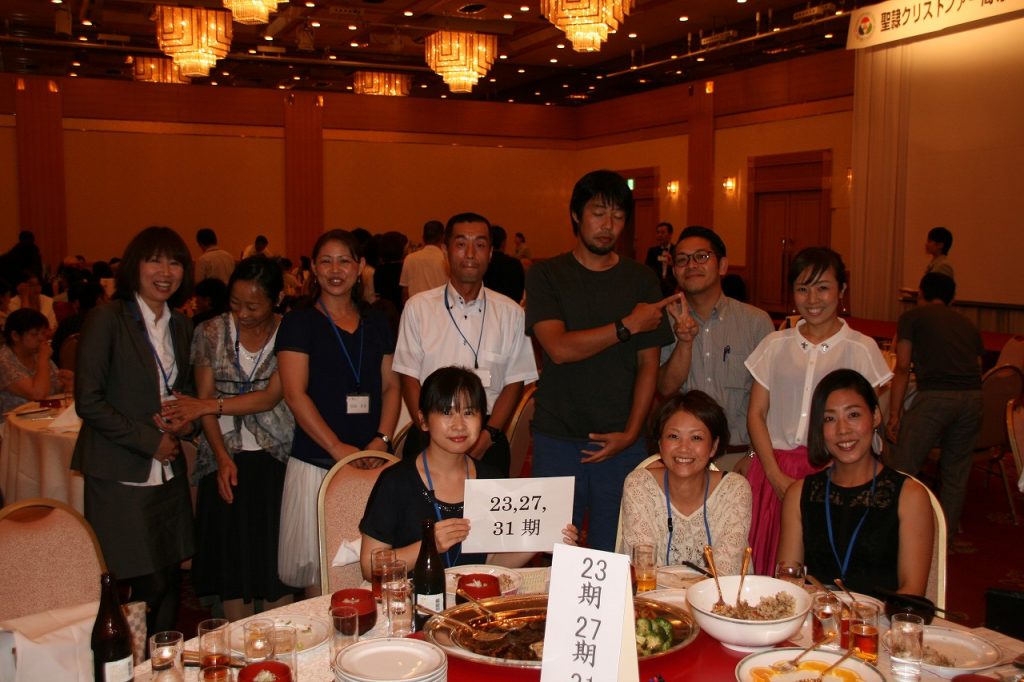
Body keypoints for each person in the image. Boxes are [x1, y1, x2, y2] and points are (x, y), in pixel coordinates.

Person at [525, 170, 674, 551]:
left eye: (618, 216)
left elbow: (648, 365)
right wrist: (627, 325)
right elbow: (558, 348)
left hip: (622, 439)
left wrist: (632, 433)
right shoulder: (546, 274)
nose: (608, 225)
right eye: (598, 213)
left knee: (618, 550)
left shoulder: (641, 279)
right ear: (576, 215)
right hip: (557, 436)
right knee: (555, 548)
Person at [71, 225, 197, 634]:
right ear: (134, 267)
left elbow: (184, 391)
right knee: (146, 583)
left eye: (174, 262)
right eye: (154, 260)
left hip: (167, 472)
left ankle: (162, 660)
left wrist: (185, 420)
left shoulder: (180, 325)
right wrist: (150, 441)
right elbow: (88, 400)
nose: (165, 271)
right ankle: (129, 659)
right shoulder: (107, 319)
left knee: (170, 578)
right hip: (120, 471)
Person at [161, 257, 296, 621]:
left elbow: (270, 397)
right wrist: (221, 457)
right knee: (232, 562)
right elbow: (202, 400)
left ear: (277, 299)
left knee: (275, 560)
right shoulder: (209, 332)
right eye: (235, 304)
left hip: (277, 458)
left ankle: (281, 636)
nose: (243, 314)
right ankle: (238, 639)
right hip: (223, 456)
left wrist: (209, 404)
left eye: (253, 306)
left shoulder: (291, 332)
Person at [745, 247, 892, 575]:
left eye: (823, 288)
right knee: (766, 564)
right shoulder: (774, 344)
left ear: (841, 290)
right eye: (802, 288)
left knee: (825, 566)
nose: (812, 299)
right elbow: (756, 413)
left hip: (835, 472)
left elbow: (871, 418)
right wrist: (774, 475)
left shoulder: (861, 348)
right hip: (773, 469)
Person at [359, 367, 577, 578]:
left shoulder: (491, 481)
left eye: (469, 412)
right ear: (423, 421)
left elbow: (491, 564)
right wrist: (429, 544)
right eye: (446, 412)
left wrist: (537, 540)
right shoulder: (396, 481)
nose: (459, 425)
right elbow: (370, 567)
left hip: (473, 598)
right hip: (411, 599)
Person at [276, 229, 401, 591]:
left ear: (359, 267)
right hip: (318, 460)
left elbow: (391, 386)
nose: (335, 270)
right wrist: (336, 448)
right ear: (314, 269)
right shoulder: (299, 322)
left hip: (373, 461)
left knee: (378, 568)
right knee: (321, 576)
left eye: (344, 260)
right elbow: (294, 393)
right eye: (326, 261)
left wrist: (382, 439)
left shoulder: (377, 321)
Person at [394, 213, 538, 475]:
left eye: (480, 245)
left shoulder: (511, 313)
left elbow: (515, 382)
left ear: (490, 253)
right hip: (429, 434)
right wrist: (429, 431)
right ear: (446, 251)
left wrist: (489, 435)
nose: (470, 253)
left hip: (487, 436)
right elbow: (408, 377)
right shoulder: (418, 308)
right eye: (461, 244)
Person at [778, 369, 933, 597]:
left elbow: (912, 592)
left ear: (875, 416)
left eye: (853, 415)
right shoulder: (799, 494)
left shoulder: (910, 496)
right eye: (829, 419)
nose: (843, 430)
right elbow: (787, 584)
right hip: (816, 617)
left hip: (882, 618)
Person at [657, 225, 774, 454]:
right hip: (685, 454)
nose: (691, 265)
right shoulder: (664, 321)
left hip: (740, 454)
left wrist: (753, 454)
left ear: (722, 266)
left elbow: (771, 400)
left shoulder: (756, 322)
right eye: (682, 260)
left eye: (701, 257)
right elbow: (665, 389)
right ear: (675, 271)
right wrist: (684, 342)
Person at [886, 273, 982, 538]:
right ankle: (943, 540)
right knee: (955, 474)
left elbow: (902, 366)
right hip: (973, 398)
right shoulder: (968, 323)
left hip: (936, 397)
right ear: (953, 298)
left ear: (920, 293)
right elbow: (977, 366)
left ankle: (894, 534)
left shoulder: (912, 317)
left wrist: (894, 414)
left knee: (903, 467)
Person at [618, 391, 752, 575]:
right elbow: (643, 569)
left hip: (719, 593)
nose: (684, 448)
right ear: (660, 443)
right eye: (674, 436)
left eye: (696, 438)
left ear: (713, 446)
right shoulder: (639, 485)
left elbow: (725, 572)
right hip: (653, 593)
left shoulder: (734, 489)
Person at [0, 308, 70, 418]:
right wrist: (43, 358)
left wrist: (68, 382)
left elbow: (56, 386)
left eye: (43, 333)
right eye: (34, 334)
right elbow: (38, 394)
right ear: (15, 336)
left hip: (45, 416)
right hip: (13, 423)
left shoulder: (36, 353)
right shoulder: (4, 360)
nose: (41, 338)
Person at [400, 220, 448, 301]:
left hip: (416, 305)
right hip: (440, 305)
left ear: (423, 238)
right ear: (443, 237)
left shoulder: (410, 258)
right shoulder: (446, 259)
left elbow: (405, 292)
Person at [482, 224, 525, 303]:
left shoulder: (481, 264)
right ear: (504, 243)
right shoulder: (514, 264)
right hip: (511, 306)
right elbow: (519, 292)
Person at [644, 221, 676, 296]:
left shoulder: (676, 250)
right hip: (657, 285)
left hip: (673, 286)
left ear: (670, 234)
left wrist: (672, 264)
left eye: (663, 232)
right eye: (658, 232)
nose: (659, 235)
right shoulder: (652, 251)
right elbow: (648, 268)